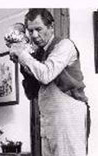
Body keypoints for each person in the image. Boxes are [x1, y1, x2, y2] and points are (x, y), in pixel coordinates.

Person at [8, 9, 89, 156]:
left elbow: (46, 75)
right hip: (48, 116)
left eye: (38, 29)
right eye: (30, 31)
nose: (34, 36)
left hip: (67, 114)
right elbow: (31, 92)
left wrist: (23, 54)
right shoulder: (37, 54)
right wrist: (22, 63)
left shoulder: (65, 45)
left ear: (51, 27)